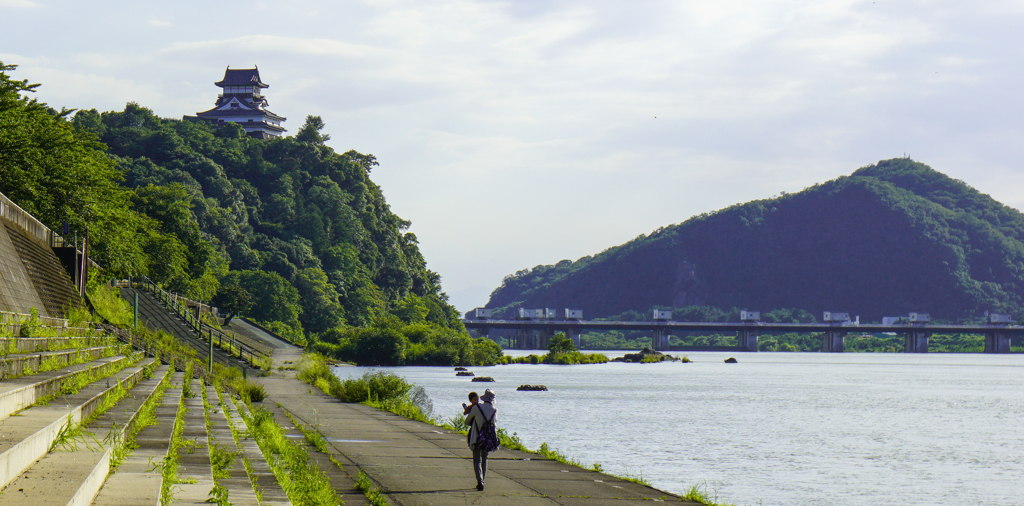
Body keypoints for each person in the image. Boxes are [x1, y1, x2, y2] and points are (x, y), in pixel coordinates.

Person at [464, 388, 496, 491]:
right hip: (487, 439)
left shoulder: (477, 407)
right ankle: (483, 480)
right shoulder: (494, 410)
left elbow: (467, 421)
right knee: (484, 459)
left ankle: (479, 481)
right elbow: (494, 424)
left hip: (476, 437)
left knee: (476, 460)